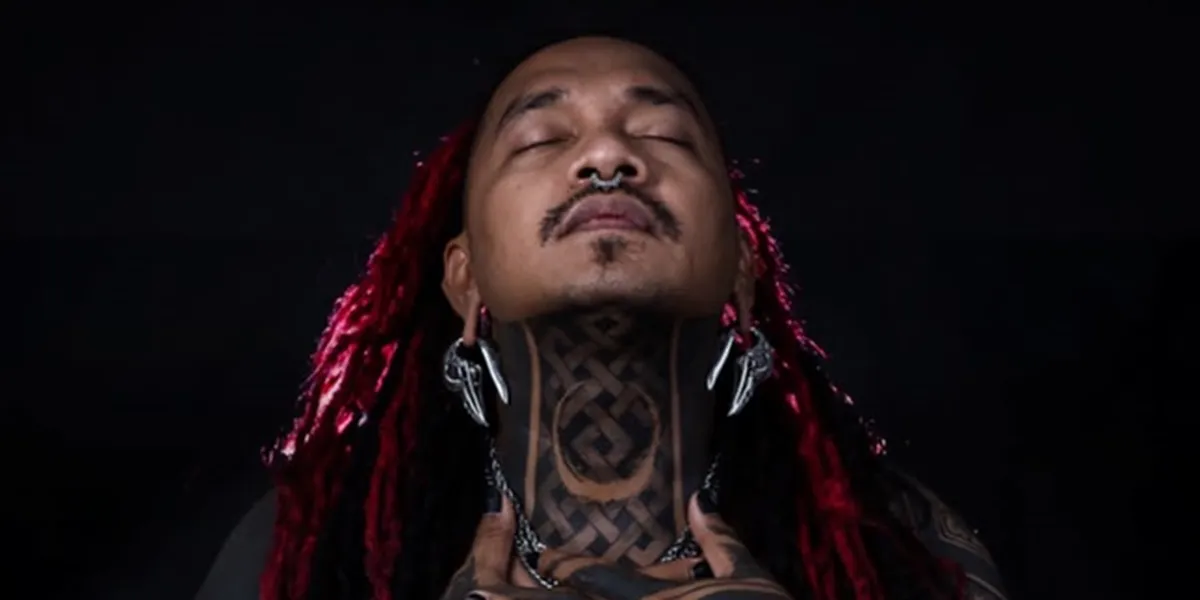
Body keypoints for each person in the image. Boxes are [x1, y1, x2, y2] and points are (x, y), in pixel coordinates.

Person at [195, 36, 1009, 600]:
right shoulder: (305, 548)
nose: (608, 158)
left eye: (663, 134)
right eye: (540, 138)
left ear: (744, 269)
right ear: (464, 278)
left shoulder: (900, 545)